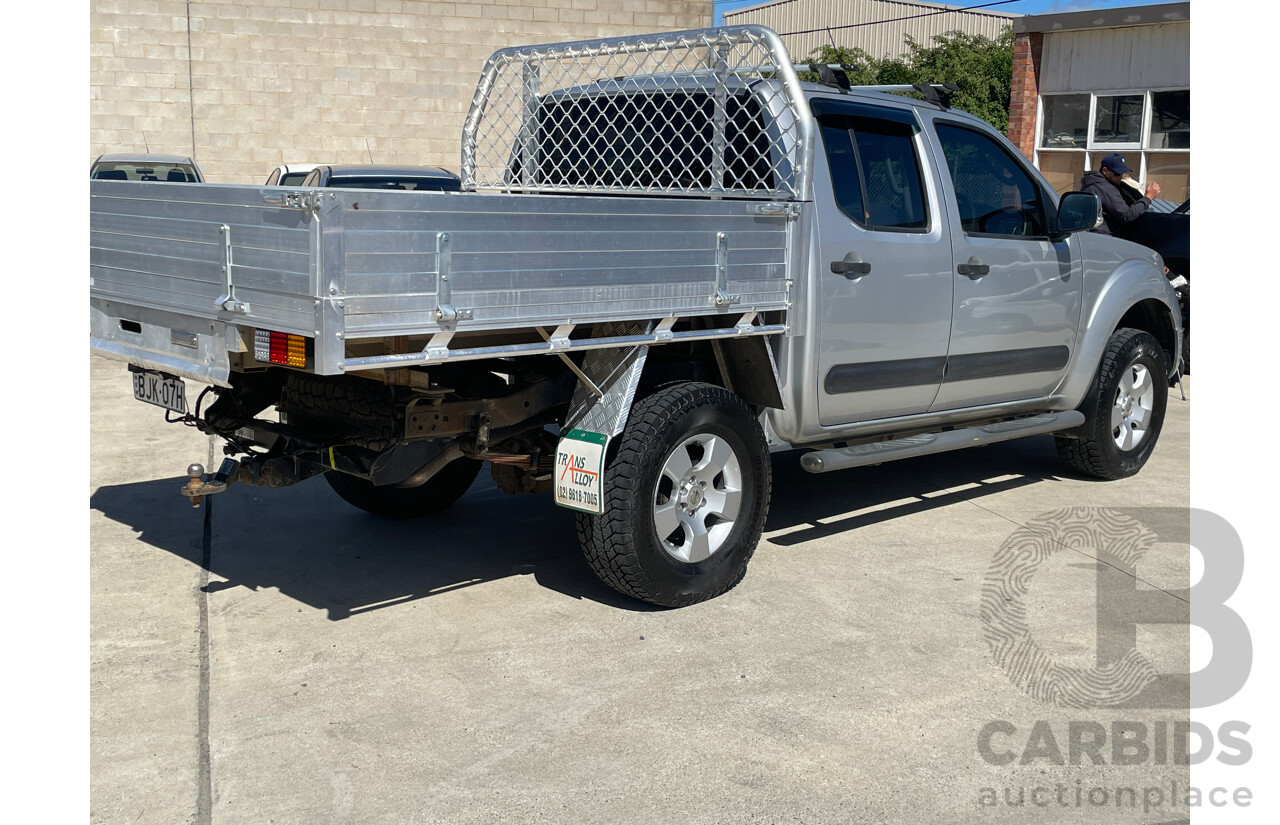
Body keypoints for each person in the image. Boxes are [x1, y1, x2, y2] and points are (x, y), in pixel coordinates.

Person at [1079, 152, 1160, 235]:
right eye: (1117, 174)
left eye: (1122, 173)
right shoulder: (1105, 188)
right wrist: (1148, 197)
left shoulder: (1092, 184)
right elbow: (1127, 215)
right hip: (1103, 237)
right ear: (1104, 171)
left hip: (1092, 235)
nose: (1120, 177)